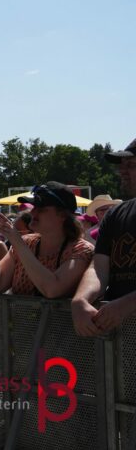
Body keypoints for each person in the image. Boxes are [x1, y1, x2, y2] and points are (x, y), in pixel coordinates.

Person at [0, 182, 93, 299]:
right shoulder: (26, 243)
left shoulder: (82, 250)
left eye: (41, 209)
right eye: (34, 207)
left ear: (63, 215)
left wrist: (18, 242)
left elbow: (52, 290)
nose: (33, 212)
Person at [72, 138, 136, 335]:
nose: (122, 172)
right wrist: (80, 300)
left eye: (131, 165)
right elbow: (98, 268)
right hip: (122, 336)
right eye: (122, 166)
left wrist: (129, 303)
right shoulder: (116, 214)